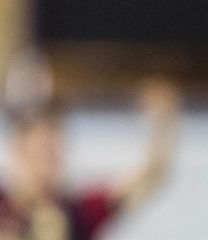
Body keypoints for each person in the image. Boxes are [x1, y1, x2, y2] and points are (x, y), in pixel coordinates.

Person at [0, 76, 180, 240]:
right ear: (20, 147)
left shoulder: (79, 212)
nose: (52, 156)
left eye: (56, 147)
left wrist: (162, 122)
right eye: (44, 148)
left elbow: (151, 174)